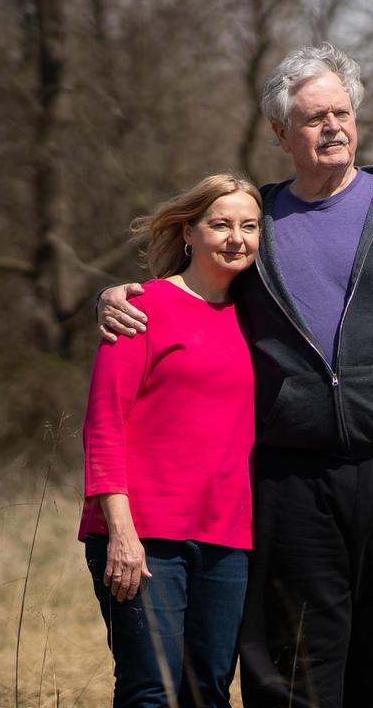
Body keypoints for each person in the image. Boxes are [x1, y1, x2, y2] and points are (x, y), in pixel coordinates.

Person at [98, 43, 373, 708]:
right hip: (290, 472)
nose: (333, 128)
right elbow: (192, 294)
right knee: (295, 661)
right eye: (315, 117)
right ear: (280, 133)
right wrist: (123, 296)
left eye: (342, 113)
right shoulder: (256, 224)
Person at [80, 173, 262, 708]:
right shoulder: (143, 308)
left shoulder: (255, 317)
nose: (236, 238)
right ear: (189, 231)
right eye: (220, 224)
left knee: (208, 690)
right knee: (151, 690)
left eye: (249, 227)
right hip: (144, 534)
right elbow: (103, 424)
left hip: (228, 537)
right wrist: (120, 532)